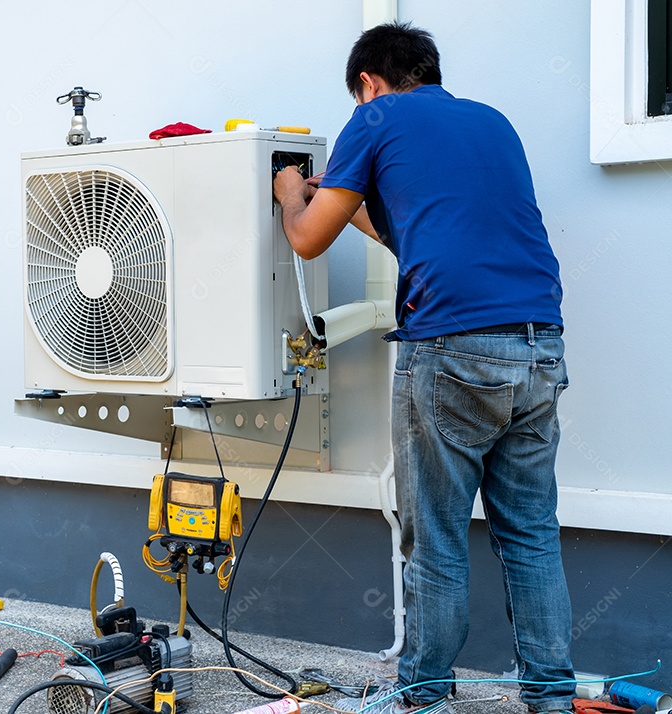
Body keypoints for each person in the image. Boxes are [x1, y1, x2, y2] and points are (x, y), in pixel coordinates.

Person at [272, 22, 575, 714]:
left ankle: (426, 695)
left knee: (435, 535)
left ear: (369, 84)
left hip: (450, 349)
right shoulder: (493, 123)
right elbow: (423, 229)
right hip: (538, 344)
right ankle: (552, 698)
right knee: (530, 534)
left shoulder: (373, 117)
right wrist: (351, 197)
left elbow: (306, 239)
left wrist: (295, 193)